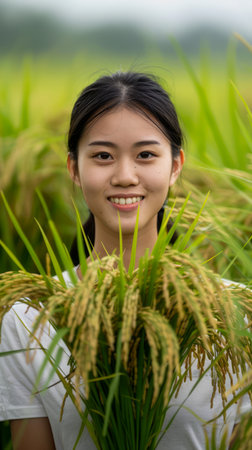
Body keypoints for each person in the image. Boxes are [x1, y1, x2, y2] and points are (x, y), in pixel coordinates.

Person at [0, 72, 249, 449]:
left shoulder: (234, 314)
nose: (125, 176)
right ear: (74, 169)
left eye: (146, 155)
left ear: (176, 166)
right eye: (103, 156)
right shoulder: (30, 319)